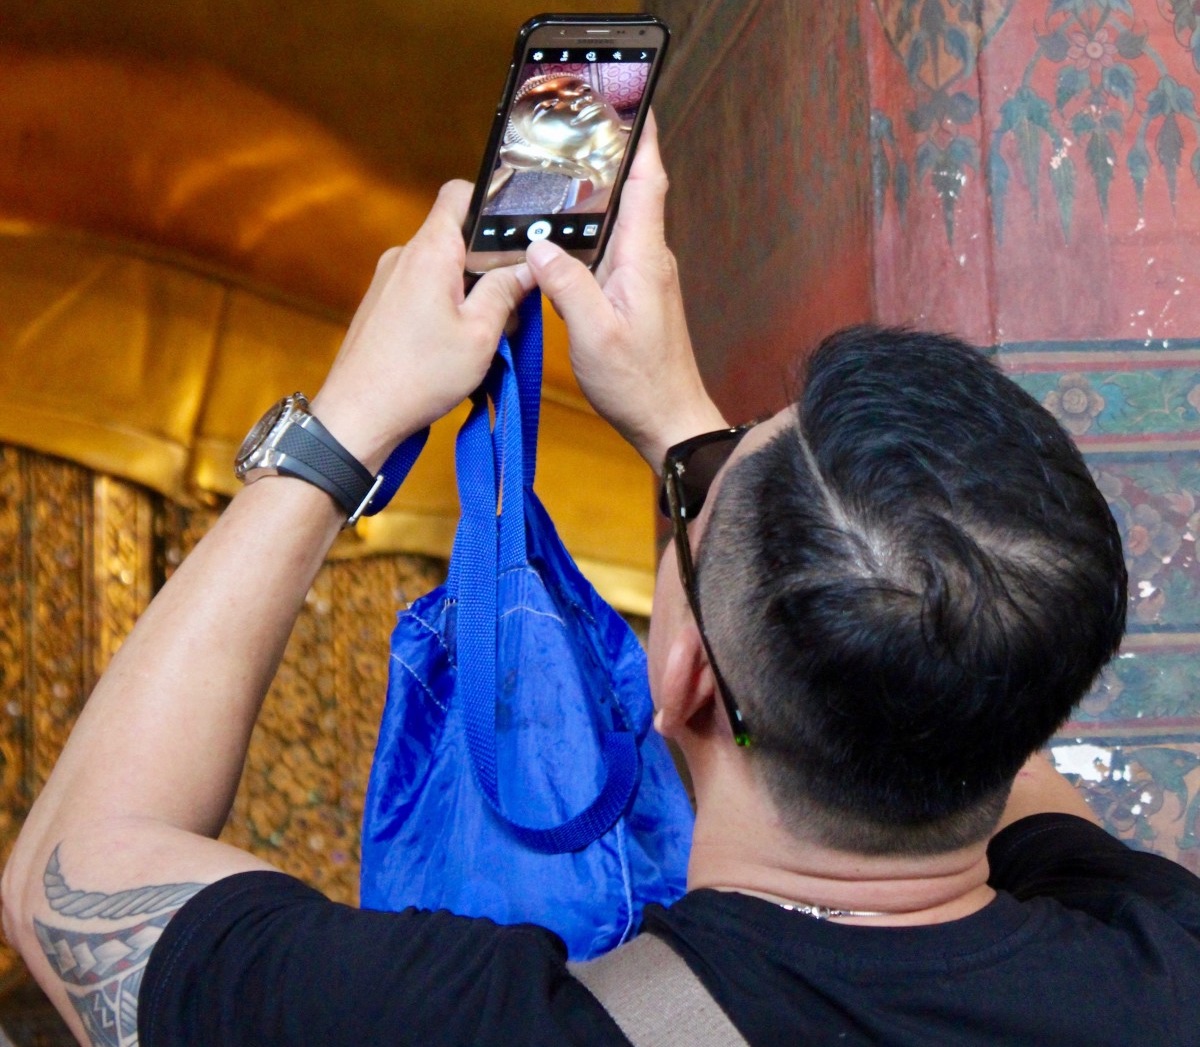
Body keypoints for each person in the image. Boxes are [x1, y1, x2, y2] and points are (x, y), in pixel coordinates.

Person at [3, 114, 1199, 1047]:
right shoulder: (1161, 966)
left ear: (676, 675)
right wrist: (683, 434)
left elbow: (76, 870)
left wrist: (347, 421)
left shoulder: (474, 1024)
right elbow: (961, 645)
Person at [484, 72, 631, 216]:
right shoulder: (572, 207)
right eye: (549, 107)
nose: (580, 98)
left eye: (584, 89)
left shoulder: (647, 123)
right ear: (525, 155)